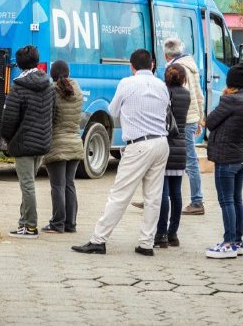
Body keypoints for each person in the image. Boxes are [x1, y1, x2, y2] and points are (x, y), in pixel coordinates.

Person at [72, 49, 169, 256]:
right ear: (152, 65)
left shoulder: (127, 83)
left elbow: (113, 111)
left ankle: (99, 240)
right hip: (161, 143)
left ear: (132, 67)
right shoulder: (162, 86)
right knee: (153, 197)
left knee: (120, 194)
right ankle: (146, 243)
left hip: (139, 145)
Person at [204, 63, 243, 259]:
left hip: (226, 158)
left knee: (226, 200)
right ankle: (238, 241)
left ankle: (228, 244)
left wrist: (223, 98)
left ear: (231, 83)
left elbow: (210, 121)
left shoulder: (230, 101)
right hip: (241, 157)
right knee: (236, 200)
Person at [1, 45, 54, 238]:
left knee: (27, 186)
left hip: (23, 143)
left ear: (19, 64)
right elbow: (52, 113)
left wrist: (9, 139)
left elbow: (8, 120)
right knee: (29, 184)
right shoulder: (48, 84)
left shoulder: (19, 87)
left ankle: (30, 226)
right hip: (42, 142)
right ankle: (23, 222)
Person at [163, 38, 206, 216]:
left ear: (166, 55)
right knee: (170, 159)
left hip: (181, 120)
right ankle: (159, 195)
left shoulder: (177, 68)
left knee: (188, 160)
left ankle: (197, 201)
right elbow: (198, 94)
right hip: (191, 118)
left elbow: (179, 96)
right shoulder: (191, 65)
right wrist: (200, 118)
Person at [41, 60, 83, 234]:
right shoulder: (77, 90)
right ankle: (70, 224)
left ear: (52, 74)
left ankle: (57, 223)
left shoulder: (52, 91)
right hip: (74, 143)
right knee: (69, 184)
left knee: (57, 185)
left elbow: (48, 118)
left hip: (58, 143)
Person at [155, 63, 190, 248]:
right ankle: (173, 233)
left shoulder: (163, 92)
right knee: (176, 193)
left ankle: (160, 234)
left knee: (163, 193)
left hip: (165, 145)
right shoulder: (186, 94)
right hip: (181, 146)